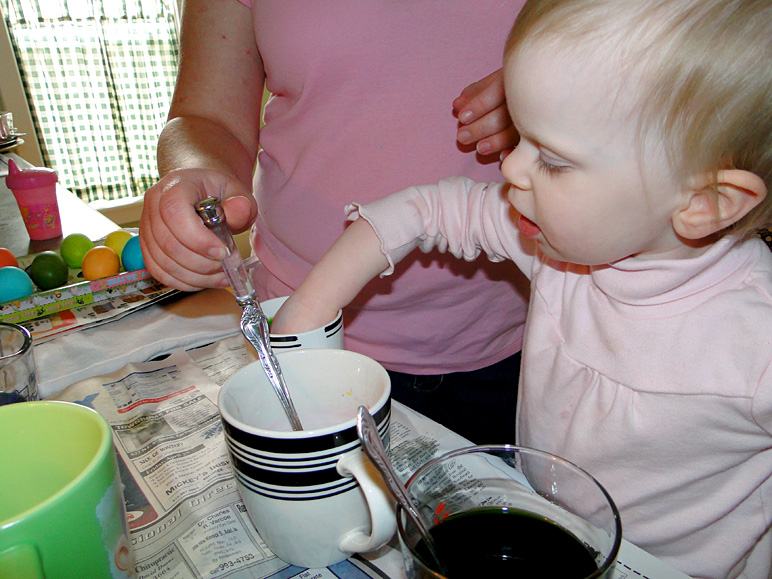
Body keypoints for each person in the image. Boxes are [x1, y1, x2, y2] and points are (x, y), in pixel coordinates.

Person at [271, 0, 772, 576]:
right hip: (549, 539)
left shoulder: (756, 342)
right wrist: (300, 322)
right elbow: (426, 210)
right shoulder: (559, 245)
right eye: (520, 135)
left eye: (553, 161)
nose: (511, 169)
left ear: (705, 203)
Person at [138, 0, 531, 443]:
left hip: (522, 341)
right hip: (303, 345)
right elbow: (206, 116)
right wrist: (189, 172)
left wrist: (558, 97)